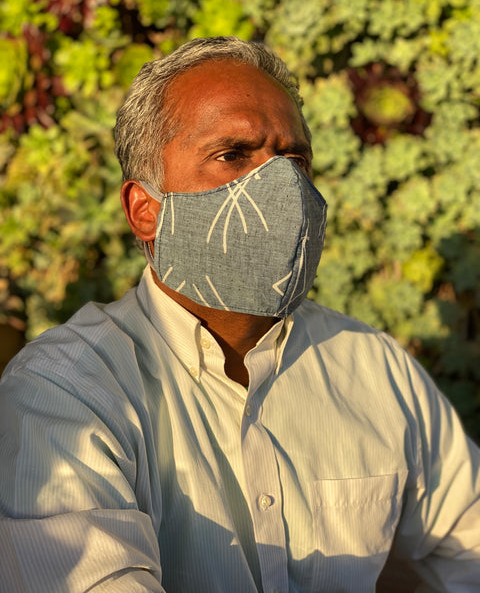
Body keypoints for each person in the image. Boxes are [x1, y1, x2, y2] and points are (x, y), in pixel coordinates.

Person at [0, 36, 479, 593]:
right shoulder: (65, 394)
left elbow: (467, 546)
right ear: (146, 210)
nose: (283, 187)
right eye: (233, 155)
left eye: (294, 159)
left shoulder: (371, 366)